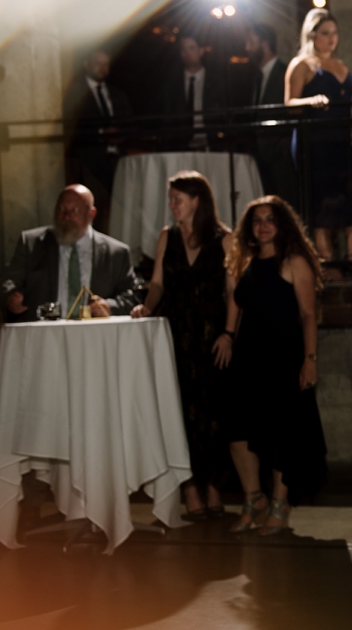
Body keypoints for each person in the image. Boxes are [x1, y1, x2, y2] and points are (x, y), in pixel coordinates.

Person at [130, 172, 232, 520]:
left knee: (215, 414)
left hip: (212, 334)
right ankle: (190, 489)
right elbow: (157, 283)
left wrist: (230, 334)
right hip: (176, 334)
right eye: (171, 199)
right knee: (180, 411)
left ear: (197, 200)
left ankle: (214, 486)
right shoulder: (167, 237)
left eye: (178, 199)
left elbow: (233, 294)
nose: (172, 205)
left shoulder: (224, 239)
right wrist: (147, 305)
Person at [224, 196, 327, 535]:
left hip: (283, 359)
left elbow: (309, 316)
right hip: (248, 360)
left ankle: (280, 506)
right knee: (238, 433)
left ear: (282, 224)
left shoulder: (294, 261)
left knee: (283, 436)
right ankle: (255, 498)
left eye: (270, 219)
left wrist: (309, 361)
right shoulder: (246, 261)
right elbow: (236, 309)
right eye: (257, 220)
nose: (263, 225)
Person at [287, 8, 352, 280]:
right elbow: (289, 103)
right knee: (323, 205)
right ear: (312, 34)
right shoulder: (301, 64)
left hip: (341, 141)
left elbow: (350, 110)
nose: (331, 38)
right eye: (325, 33)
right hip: (315, 144)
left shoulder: (342, 66)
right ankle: (329, 265)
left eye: (334, 33)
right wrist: (310, 102)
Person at [1, 184, 137, 322]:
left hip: (95, 335)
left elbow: (132, 297)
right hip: (44, 334)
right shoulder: (31, 243)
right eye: (61, 209)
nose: (66, 217)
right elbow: (10, 281)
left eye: (74, 210)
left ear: (91, 213)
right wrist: (11, 296)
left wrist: (109, 307)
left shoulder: (116, 253)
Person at [63, 49, 133, 231]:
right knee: (93, 208)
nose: (102, 68)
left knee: (121, 209)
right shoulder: (75, 94)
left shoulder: (117, 94)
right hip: (91, 160)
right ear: (87, 64)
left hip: (118, 159)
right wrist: (102, 132)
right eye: (97, 63)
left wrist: (120, 134)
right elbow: (72, 126)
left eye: (106, 64)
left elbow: (129, 122)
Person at [246, 22, 297, 206]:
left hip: (281, 158)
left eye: (251, 42)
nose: (247, 48)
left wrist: (282, 148)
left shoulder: (285, 74)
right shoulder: (258, 78)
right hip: (263, 157)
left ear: (265, 45)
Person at [162, 34, 227, 150]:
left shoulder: (216, 83)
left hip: (211, 146)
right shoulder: (172, 85)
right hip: (181, 148)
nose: (187, 54)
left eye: (191, 48)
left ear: (201, 51)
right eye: (183, 49)